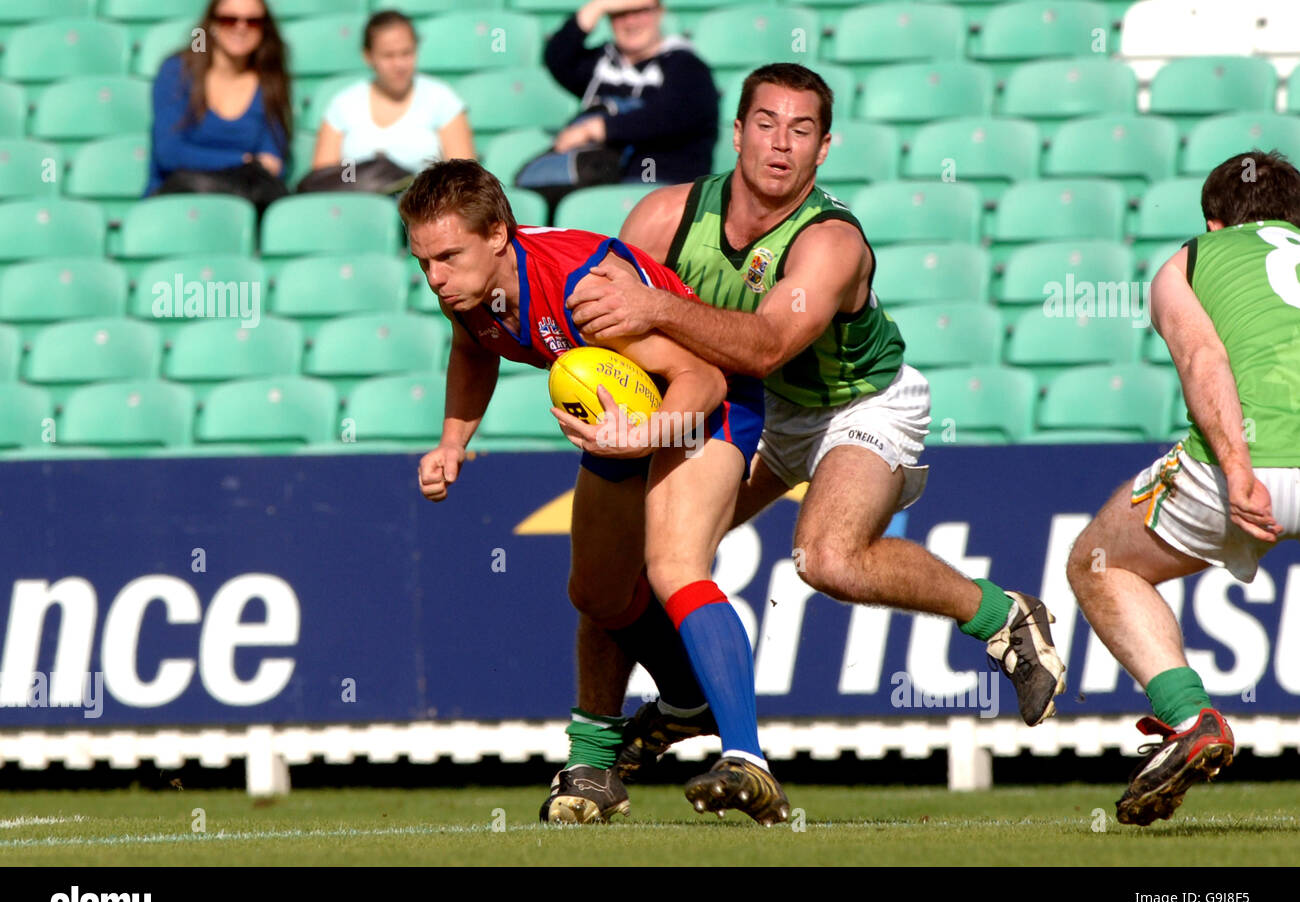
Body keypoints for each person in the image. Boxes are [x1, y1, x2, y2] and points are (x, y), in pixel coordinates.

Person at [563, 64, 1068, 811]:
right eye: (765, 124)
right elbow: (611, 327)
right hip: (752, 408)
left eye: (801, 131)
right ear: (736, 132)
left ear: (824, 148)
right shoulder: (663, 218)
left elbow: (767, 343)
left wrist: (658, 313)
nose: (780, 145)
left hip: (856, 406)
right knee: (624, 558)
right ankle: (600, 759)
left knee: (827, 557)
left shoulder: (831, 242)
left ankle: (1001, 615)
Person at [405, 160, 783, 826]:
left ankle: (746, 759)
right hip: (626, 415)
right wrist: (452, 441)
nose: (434, 276)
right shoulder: (468, 288)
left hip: (708, 404)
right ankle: (635, 740)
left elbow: (704, 381)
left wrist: (645, 438)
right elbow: (474, 349)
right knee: (597, 591)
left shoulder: (583, 291)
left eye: (447, 257)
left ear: (498, 233)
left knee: (673, 567)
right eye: (423, 260)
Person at [1065, 150, 1300, 825]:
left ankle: (1190, 718)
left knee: (1099, 564)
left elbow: (1204, 358)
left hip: (1252, 462)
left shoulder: (1191, 260)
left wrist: (1236, 472)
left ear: (1214, 221)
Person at [524, 0, 716, 203]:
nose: (630, 22)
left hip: (665, 186)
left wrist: (598, 128)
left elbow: (668, 117)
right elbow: (558, 57)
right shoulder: (602, 65)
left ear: (659, 12)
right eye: (620, 13)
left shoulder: (687, 66)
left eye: (640, 11)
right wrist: (597, 7)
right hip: (597, 186)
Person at [307, 10, 474, 192]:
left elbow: (465, 180)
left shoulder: (442, 99)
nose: (399, 65)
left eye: (406, 53)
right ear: (368, 56)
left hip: (425, 212)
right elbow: (323, 183)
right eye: (388, 55)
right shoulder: (343, 104)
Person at [147, 0, 291, 209]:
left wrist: (247, 163)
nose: (241, 27)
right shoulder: (177, 72)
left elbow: (272, 163)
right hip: (178, 201)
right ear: (212, 24)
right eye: (229, 19)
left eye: (253, 21)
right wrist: (245, 160)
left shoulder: (270, 81)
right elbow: (169, 153)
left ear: (264, 28)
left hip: (243, 203)